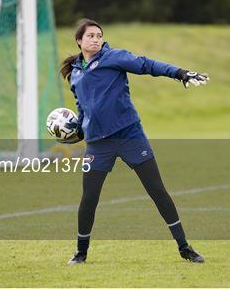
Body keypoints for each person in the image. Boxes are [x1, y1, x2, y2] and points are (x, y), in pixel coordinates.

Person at [60, 19, 209, 265]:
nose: (96, 39)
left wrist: (180, 73)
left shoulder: (114, 57)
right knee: (89, 199)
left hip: (130, 135)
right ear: (79, 41)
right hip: (98, 144)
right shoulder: (75, 73)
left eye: (99, 35)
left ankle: (184, 247)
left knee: (157, 191)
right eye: (90, 36)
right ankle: (81, 252)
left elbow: (147, 65)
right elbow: (83, 107)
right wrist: (77, 130)